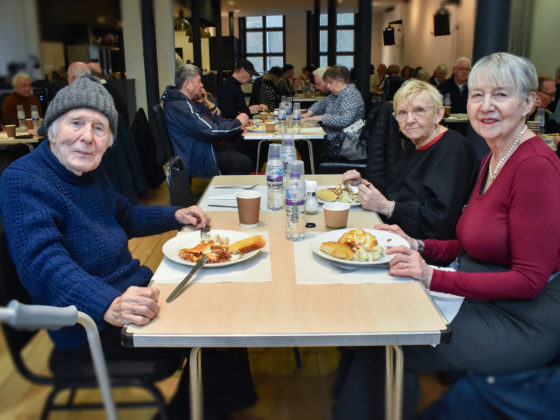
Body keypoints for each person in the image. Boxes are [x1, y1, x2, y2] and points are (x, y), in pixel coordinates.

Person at [0, 74, 257, 419]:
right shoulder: (24, 179)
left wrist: (176, 214)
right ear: (52, 128)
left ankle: (220, 404)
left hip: (134, 291)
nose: (86, 137)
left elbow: (124, 215)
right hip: (89, 323)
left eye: (99, 128)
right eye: (76, 122)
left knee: (227, 303)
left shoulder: (90, 173)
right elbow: (43, 264)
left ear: (109, 141)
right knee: (216, 326)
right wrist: (108, 303)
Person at [334, 52, 560, 420]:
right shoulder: (493, 157)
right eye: (476, 95)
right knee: (375, 321)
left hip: (522, 319)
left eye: (501, 95)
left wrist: (431, 275)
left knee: (390, 339)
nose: (486, 106)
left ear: (529, 102)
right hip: (482, 294)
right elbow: (470, 241)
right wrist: (418, 245)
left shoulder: (535, 166)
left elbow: (530, 281)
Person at [343, 79, 478, 240]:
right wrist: (362, 186)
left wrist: (388, 207)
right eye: (402, 113)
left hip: (425, 250)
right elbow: (396, 192)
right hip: (397, 233)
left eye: (419, 110)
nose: (409, 120)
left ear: (438, 114)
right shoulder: (413, 144)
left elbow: (440, 221)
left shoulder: (454, 150)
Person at [162, 64, 253, 177]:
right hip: (197, 156)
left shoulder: (188, 102)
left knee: (247, 149)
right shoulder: (182, 106)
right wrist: (238, 123)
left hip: (203, 147)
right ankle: (225, 193)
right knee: (243, 163)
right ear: (188, 84)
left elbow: (215, 120)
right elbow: (211, 131)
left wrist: (238, 125)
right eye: (199, 81)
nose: (202, 85)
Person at [301, 66, 364, 160]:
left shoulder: (351, 94)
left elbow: (345, 120)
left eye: (330, 83)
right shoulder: (337, 94)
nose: (328, 86)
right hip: (333, 137)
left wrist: (321, 118)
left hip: (341, 142)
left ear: (341, 81)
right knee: (304, 145)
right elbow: (322, 103)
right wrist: (310, 113)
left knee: (305, 146)